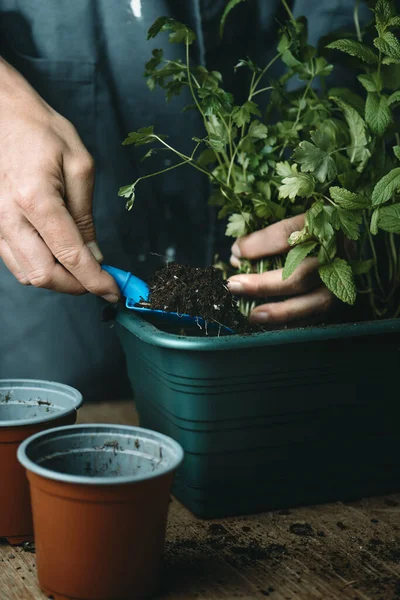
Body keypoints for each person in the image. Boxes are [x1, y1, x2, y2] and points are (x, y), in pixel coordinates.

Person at [0, 0, 367, 400]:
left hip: (282, 342)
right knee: (56, 407)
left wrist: (339, 198)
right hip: (52, 254)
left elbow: (346, 26)